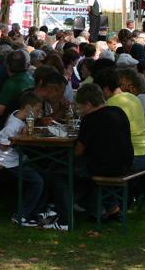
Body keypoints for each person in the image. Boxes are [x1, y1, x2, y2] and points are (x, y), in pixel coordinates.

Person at [49, 83, 135, 229]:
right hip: (126, 163)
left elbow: (78, 152)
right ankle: (105, 208)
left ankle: (64, 218)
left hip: (104, 167)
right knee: (81, 170)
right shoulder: (118, 111)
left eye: (80, 107)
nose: (79, 110)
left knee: (57, 171)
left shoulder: (90, 119)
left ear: (88, 104)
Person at [0, 90, 54, 227]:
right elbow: (3, 145)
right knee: (37, 181)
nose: (39, 114)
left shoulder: (18, 117)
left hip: (18, 159)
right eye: (37, 110)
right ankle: (21, 215)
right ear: (28, 108)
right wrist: (19, 139)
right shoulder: (13, 125)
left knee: (45, 176)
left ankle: (37, 211)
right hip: (8, 161)